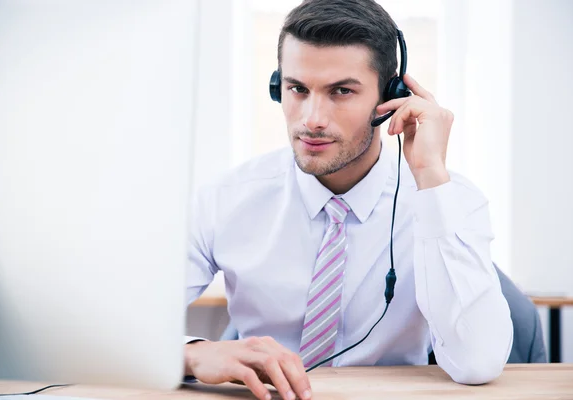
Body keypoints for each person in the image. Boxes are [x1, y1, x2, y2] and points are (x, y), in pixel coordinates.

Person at [184, 1, 513, 399]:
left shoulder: (448, 199)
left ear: (391, 97)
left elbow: (477, 363)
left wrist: (429, 174)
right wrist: (192, 353)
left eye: (341, 91)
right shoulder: (224, 199)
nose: (312, 119)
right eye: (297, 89)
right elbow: (122, 323)